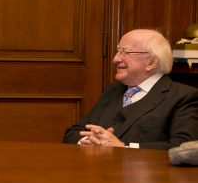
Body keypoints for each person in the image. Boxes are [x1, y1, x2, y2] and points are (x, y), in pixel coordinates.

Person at [63, 29, 198, 150]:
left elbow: (184, 146)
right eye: (118, 51)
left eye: (125, 52)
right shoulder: (112, 91)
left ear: (151, 62)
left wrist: (123, 147)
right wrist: (92, 141)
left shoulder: (183, 97)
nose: (115, 59)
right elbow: (72, 134)